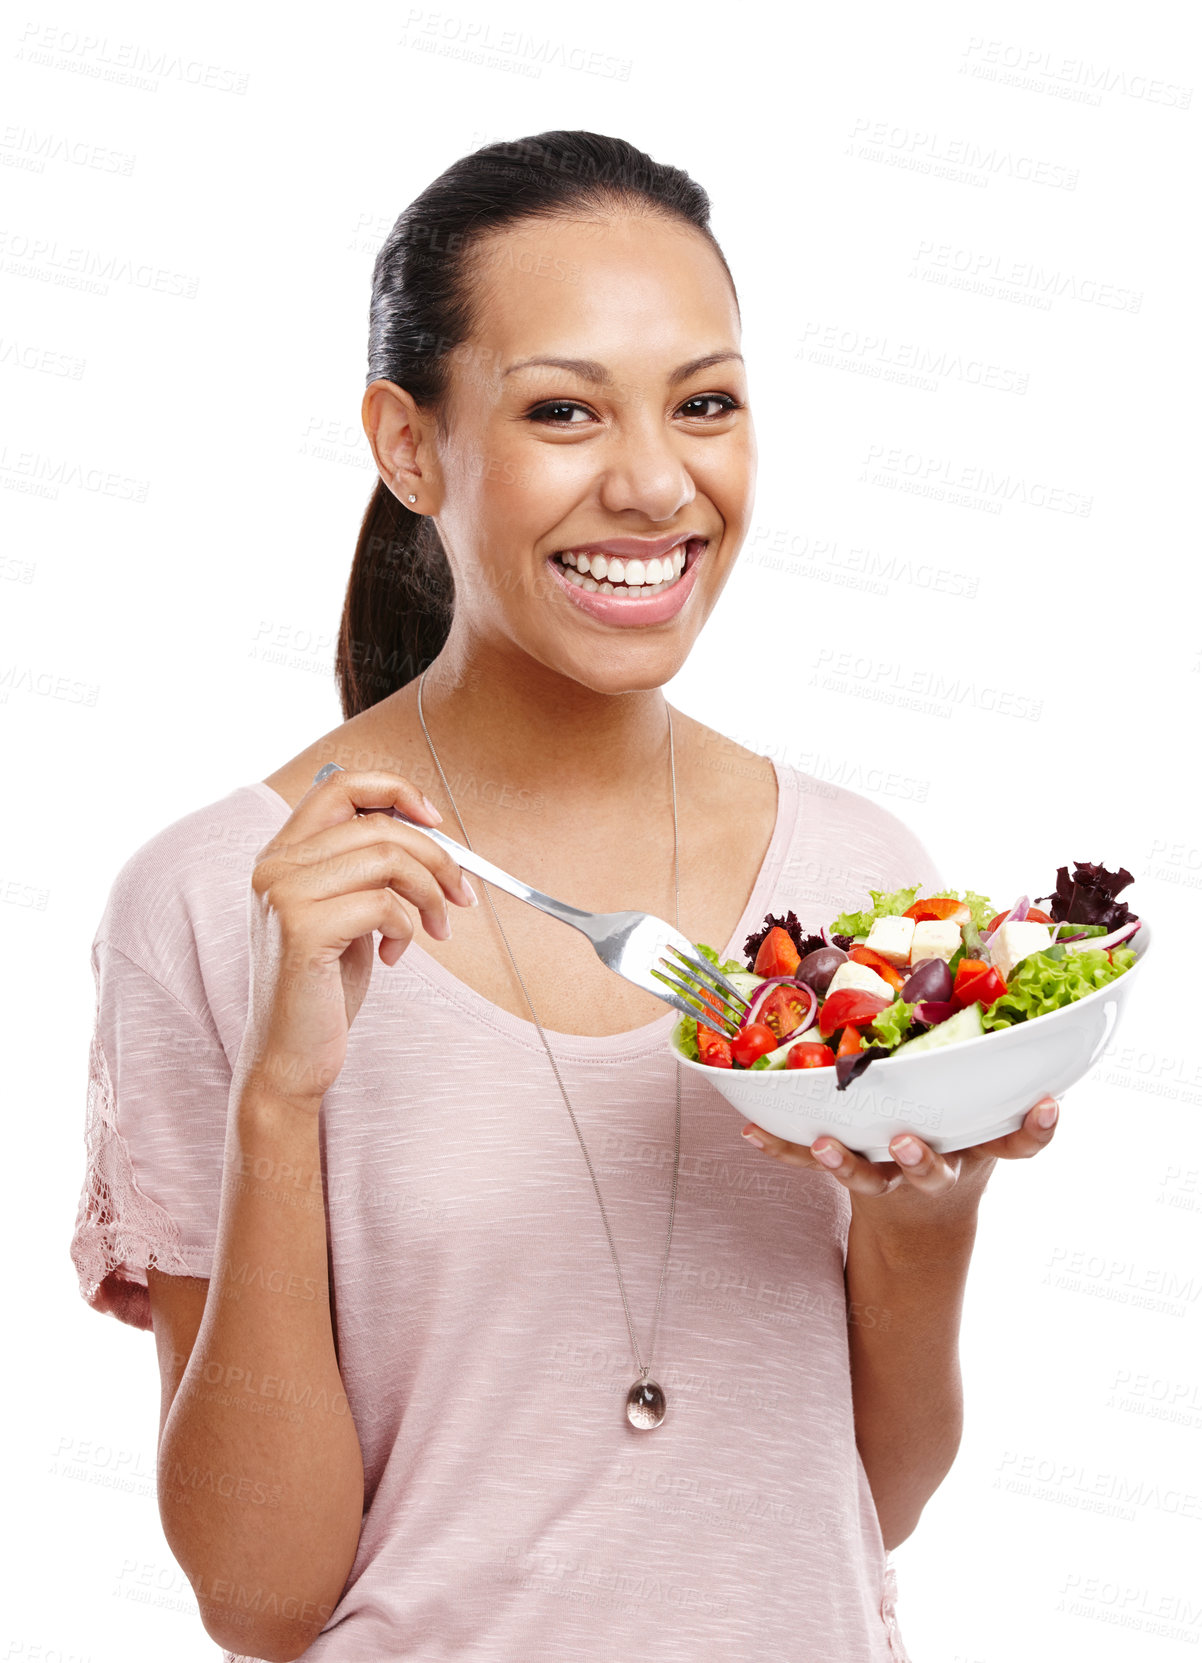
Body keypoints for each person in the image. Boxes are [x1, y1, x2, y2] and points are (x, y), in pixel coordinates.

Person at [69, 129, 1058, 1663]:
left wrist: (932, 1215)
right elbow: (260, 1602)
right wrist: (281, 1102)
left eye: (705, 404)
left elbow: (872, 1495)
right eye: (561, 411)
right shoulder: (215, 900)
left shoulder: (857, 885)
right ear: (409, 445)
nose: (656, 482)